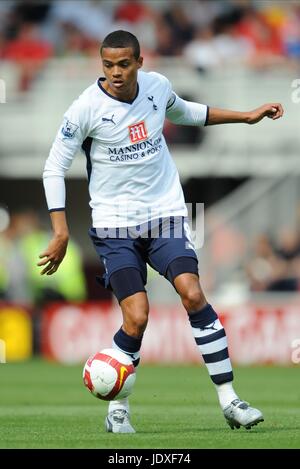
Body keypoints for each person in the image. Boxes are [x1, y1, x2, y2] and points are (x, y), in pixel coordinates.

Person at [38, 30, 283, 434]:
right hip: (115, 226)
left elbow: (186, 112)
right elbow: (53, 168)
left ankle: (230, 400)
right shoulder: (84, 109)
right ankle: (118, 408)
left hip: (165, 215)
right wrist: (61, 232)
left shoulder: (157, 88)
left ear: (139, 62)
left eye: (122, 64)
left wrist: (246, 115)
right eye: (107, 65)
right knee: (137, 317)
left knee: (192, 292)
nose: (115, 73)